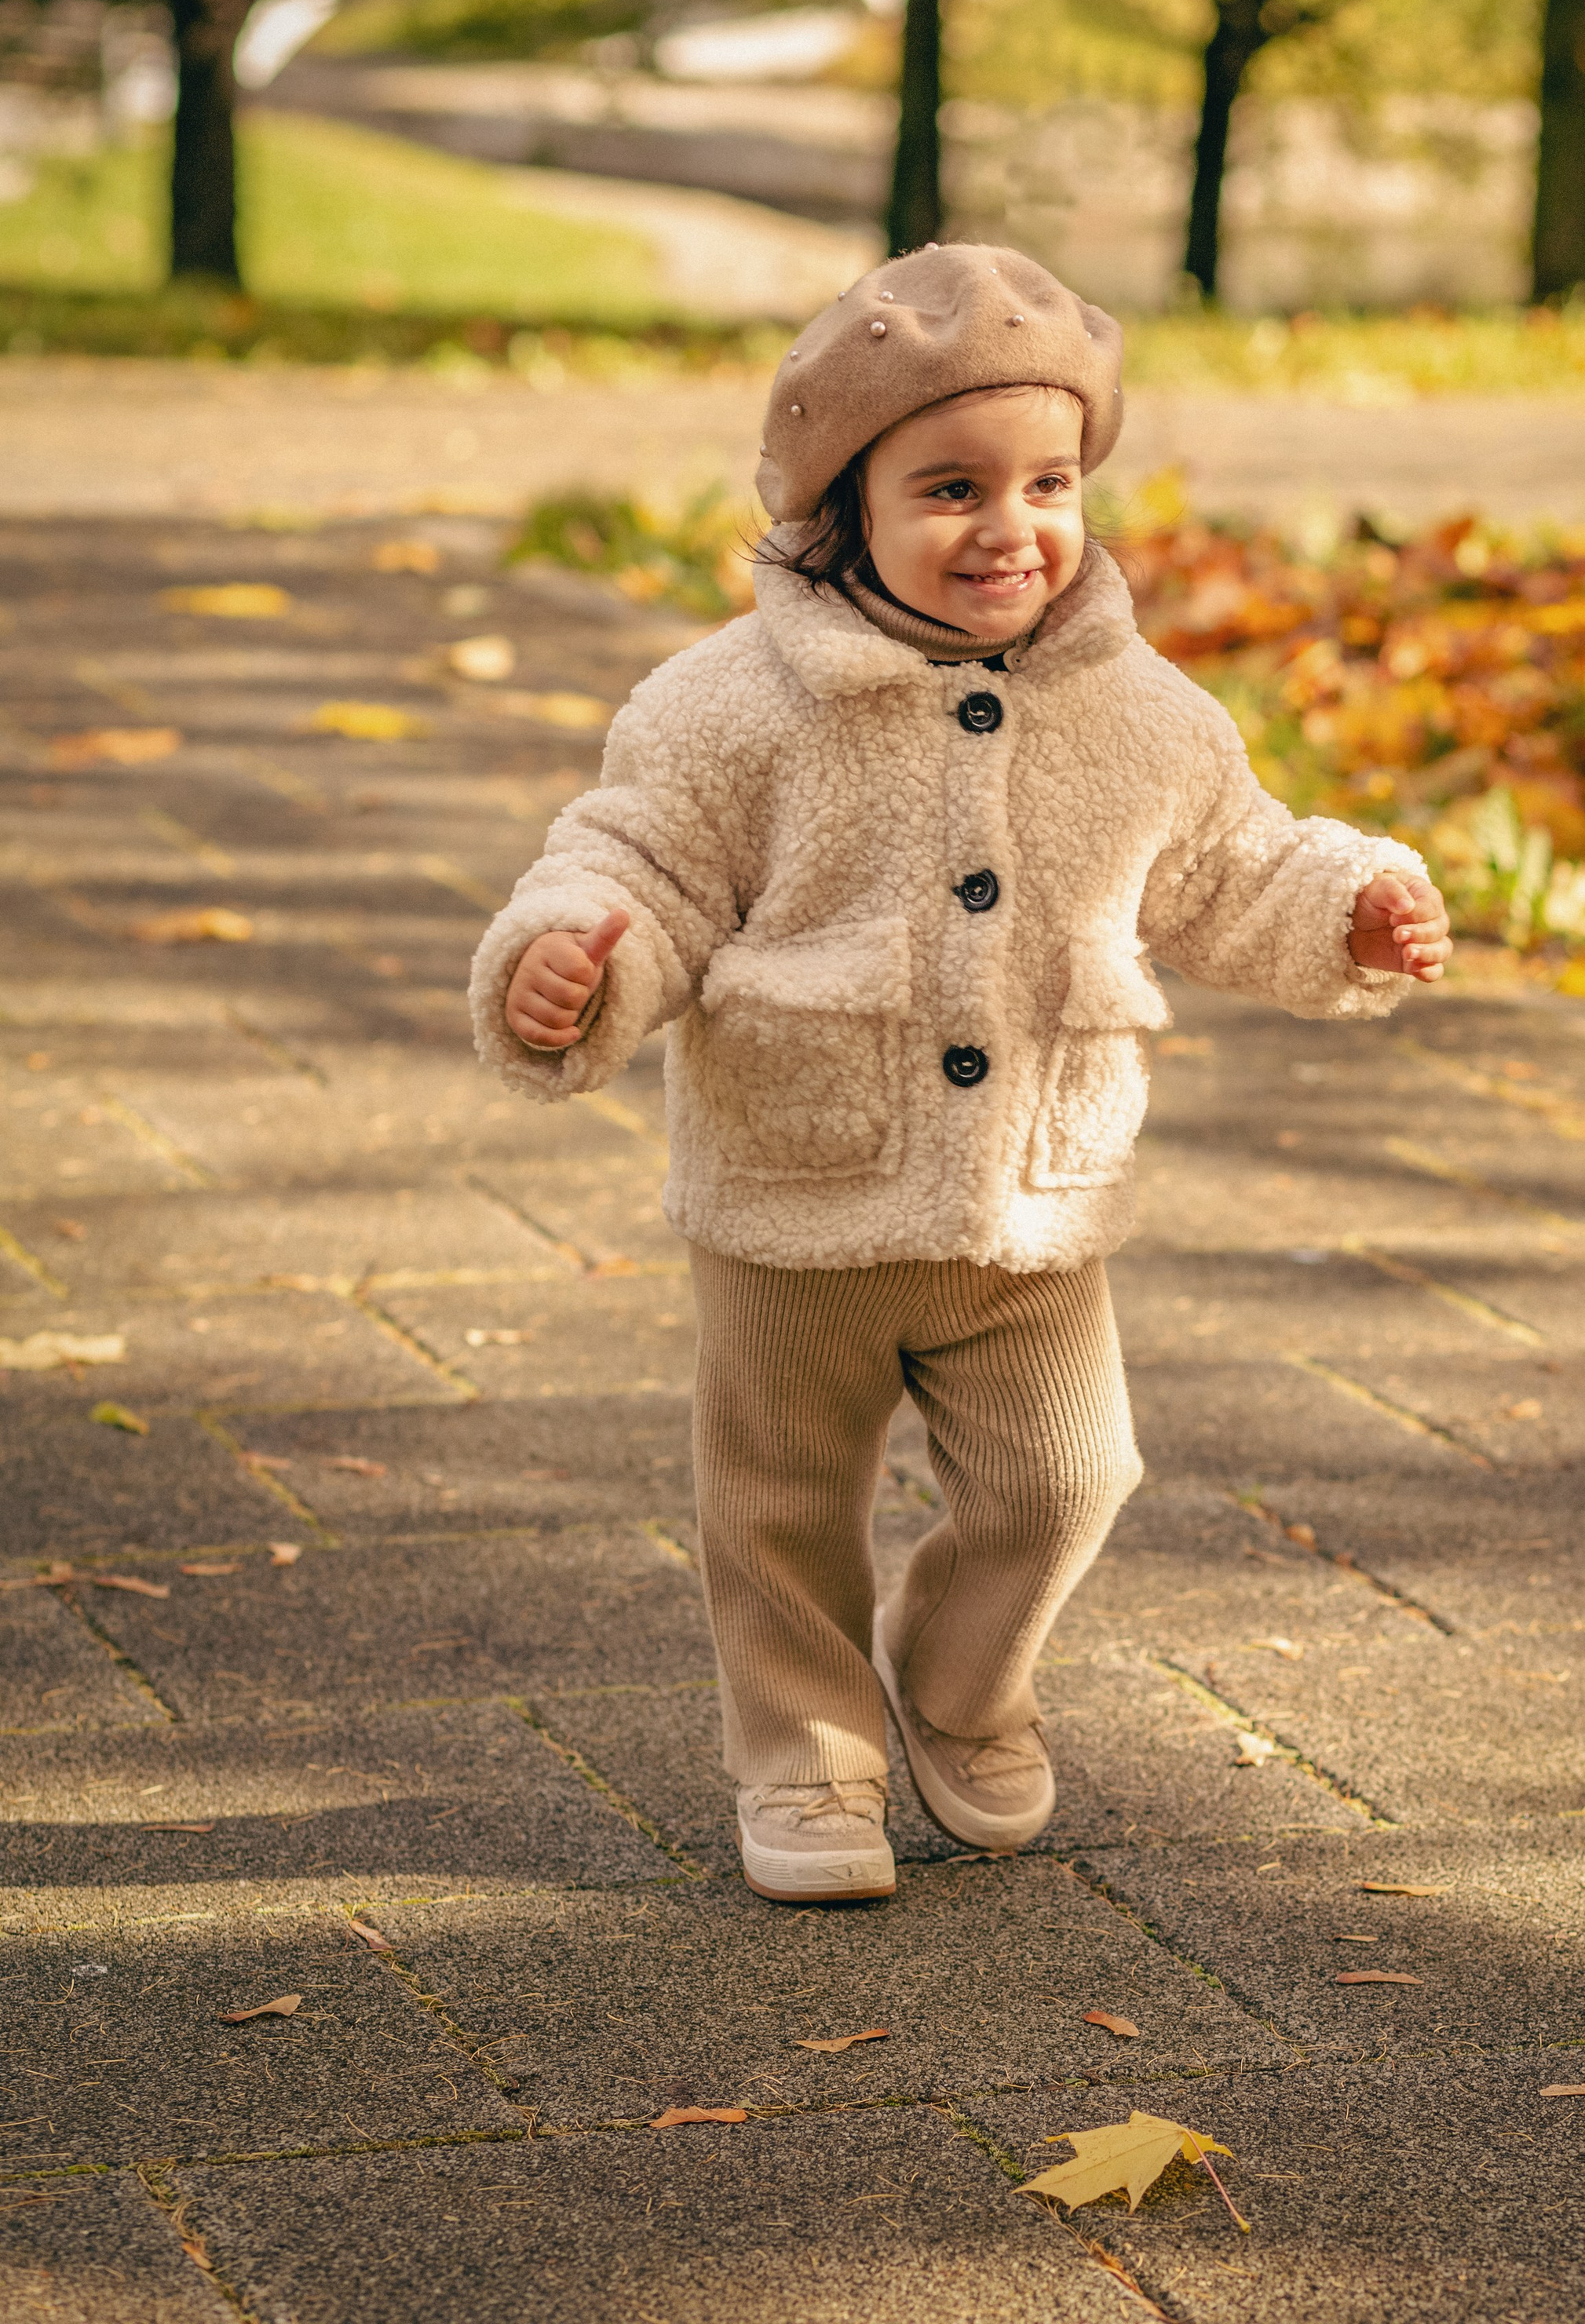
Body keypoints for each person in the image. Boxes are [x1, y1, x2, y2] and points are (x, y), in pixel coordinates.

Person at [469, 243, 1451, 1905]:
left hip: (1030, 1204)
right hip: (793, 1196)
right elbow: (631, 859)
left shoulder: (1137, 713)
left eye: (1049, 481)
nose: (1013, 525)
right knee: (779, 1512)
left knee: (1072, 1475)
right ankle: (806, 1754)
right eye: (950, 487)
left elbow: (1226, 866)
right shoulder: (733, 707)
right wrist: (577, 961)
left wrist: (1346, 909)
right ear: (839, 508)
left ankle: (953, 1670)